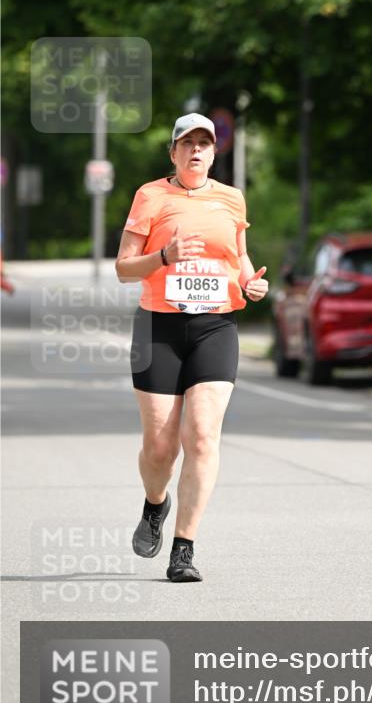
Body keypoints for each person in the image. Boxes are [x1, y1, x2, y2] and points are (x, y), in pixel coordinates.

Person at [115, 113, 268, 582]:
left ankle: (184, 548)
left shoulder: (231, 198)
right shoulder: (150, 196)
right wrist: (163, 257)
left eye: (205, 143)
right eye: (188, 143)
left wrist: (251, 283)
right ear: (173, 152)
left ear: (214, 152)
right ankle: (155, 505)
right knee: (160, 449)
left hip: (215, 327)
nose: (196, 150)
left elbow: (237, 256)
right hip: (159, 328)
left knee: (201, 436)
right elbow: (124, 268)